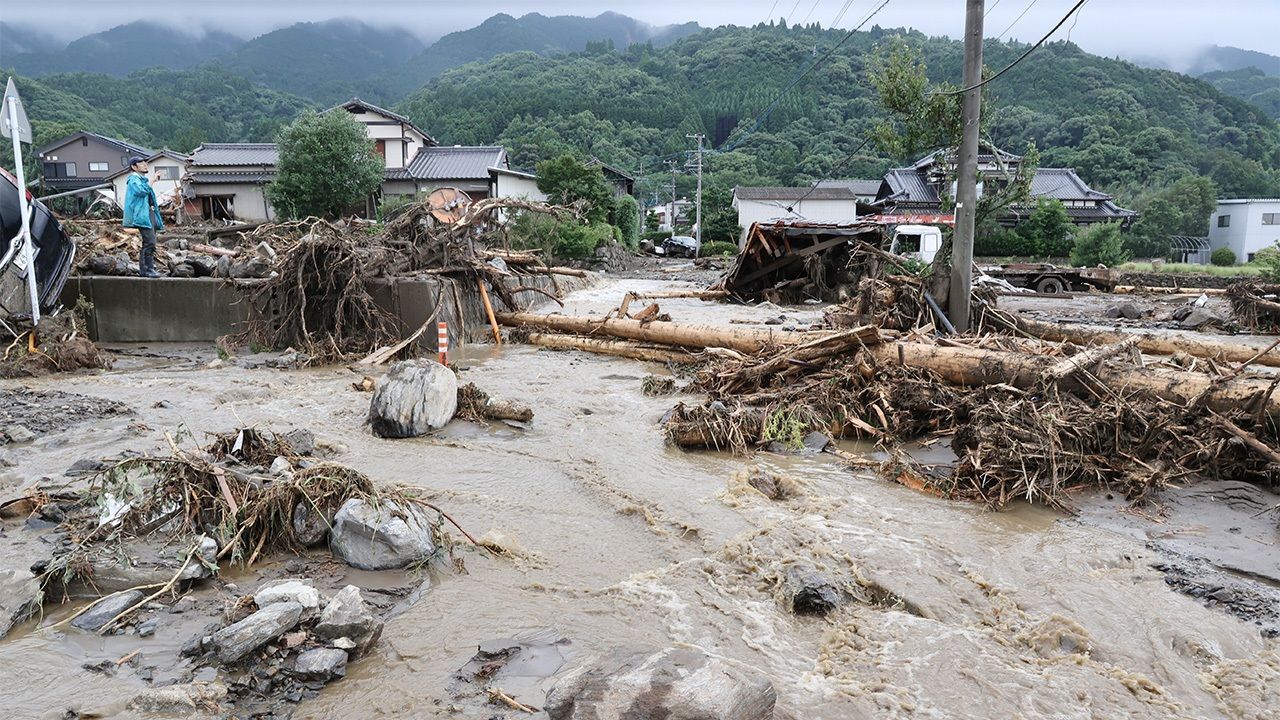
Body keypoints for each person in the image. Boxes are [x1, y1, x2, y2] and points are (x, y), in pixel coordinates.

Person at [122, 155, 163, 278]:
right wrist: (153, 180)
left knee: (150, 241)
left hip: (147, 213)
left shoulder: (141, 179)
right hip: (141, 215)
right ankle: (146, 269)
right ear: (134, 167)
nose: (145, 164)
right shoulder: (134, 179)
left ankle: (148, 267)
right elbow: (141, 191)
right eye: (141, 163)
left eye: (145, 162)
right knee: (150, 241)